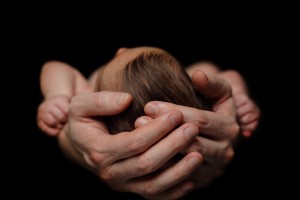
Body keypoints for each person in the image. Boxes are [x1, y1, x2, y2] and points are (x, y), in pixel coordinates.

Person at [37, 47, 260, 199]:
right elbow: (228, 73)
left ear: (101, 117)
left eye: (117, 58)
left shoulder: (87, 95)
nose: (121, 50)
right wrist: (237, 96)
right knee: (205, 70)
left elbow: (54, 67)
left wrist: (58, 95)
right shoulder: (193, 86)